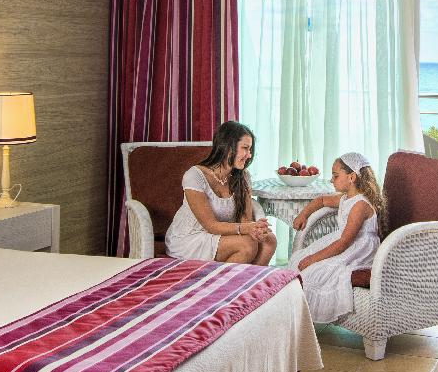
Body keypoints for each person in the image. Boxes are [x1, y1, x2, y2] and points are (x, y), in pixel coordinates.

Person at [287, 152, 385, 322]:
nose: (331, 180)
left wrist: (313, 258)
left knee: (317, 270)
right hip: (343, 241)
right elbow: (321, 201)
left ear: (352, 177)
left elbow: (344, 242)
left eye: (335, 175)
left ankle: (305, 316)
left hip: (358, 249)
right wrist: (303, 214)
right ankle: (293, 311)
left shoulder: (360, 205)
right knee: (297, 260)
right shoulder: (346, 198)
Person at [164, 120, 276, 265]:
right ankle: (223, 279)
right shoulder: (194, 175)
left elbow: (245, 219)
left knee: (269, 241)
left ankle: (243, 279)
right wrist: (247, 228)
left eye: (250, 150)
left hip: (222, 235)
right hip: (190, 238)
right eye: (245, 148)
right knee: (247, 245)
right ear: (228, 147)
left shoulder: (243, 176)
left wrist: (255, 230)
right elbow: (210, 225)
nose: (249, 155)